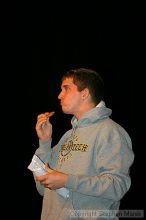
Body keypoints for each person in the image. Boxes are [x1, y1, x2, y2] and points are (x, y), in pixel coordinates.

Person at [30, 68, 134, 219]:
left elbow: (117, 186)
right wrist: (45, 142)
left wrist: (67, 180)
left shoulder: (110, 132)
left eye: (66, 89)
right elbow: (42, 189)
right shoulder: (67, 137)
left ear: (84, 94)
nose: (59, 95)